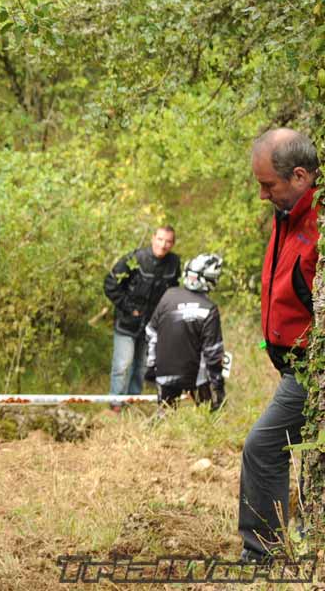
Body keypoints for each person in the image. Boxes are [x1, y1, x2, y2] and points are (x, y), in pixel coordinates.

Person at [239, 128, 319, 563]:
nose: (263, 195)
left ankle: (262, 554)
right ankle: (305, 537)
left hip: (312, 367)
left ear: (301, 176)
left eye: (268, 185)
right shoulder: (288, 213)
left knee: (263, 447)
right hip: (291, 363)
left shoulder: (319, 222)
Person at [103, 226, 180, 407]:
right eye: (160, 239)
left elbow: (173, 291)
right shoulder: (135, 258)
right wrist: (129, 308)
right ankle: (115, 406)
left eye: (168, 241)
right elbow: (110, 283)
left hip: (152, 326)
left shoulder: (174, 263)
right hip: (127, 323)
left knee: (141, 369)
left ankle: (131, 405)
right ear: (153, 238)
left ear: (172, 244)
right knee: (122, 366)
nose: (163, 245)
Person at [144, 253, 225, 410]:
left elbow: (151, 331)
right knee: (208, 417)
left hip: (164, 373)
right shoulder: (209, 308)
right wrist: (219, 385)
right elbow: (213, 352)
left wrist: (151, 365)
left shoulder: (169, 295)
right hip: (195, 377)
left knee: (165, 415)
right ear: (211, 279)